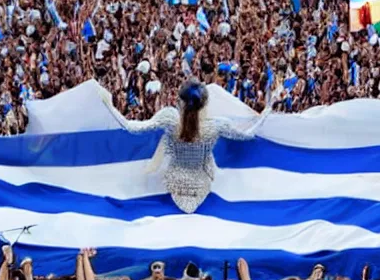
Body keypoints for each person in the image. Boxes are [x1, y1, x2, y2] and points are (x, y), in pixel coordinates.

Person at [100, 79, 269, 213]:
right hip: (201, 188)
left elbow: (131, 127)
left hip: (175, 185)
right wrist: (268, 110)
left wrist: (109, 105)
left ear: (179, 101)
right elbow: (248, 135)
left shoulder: (170, 119)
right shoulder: (216, 126)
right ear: (204, 104)